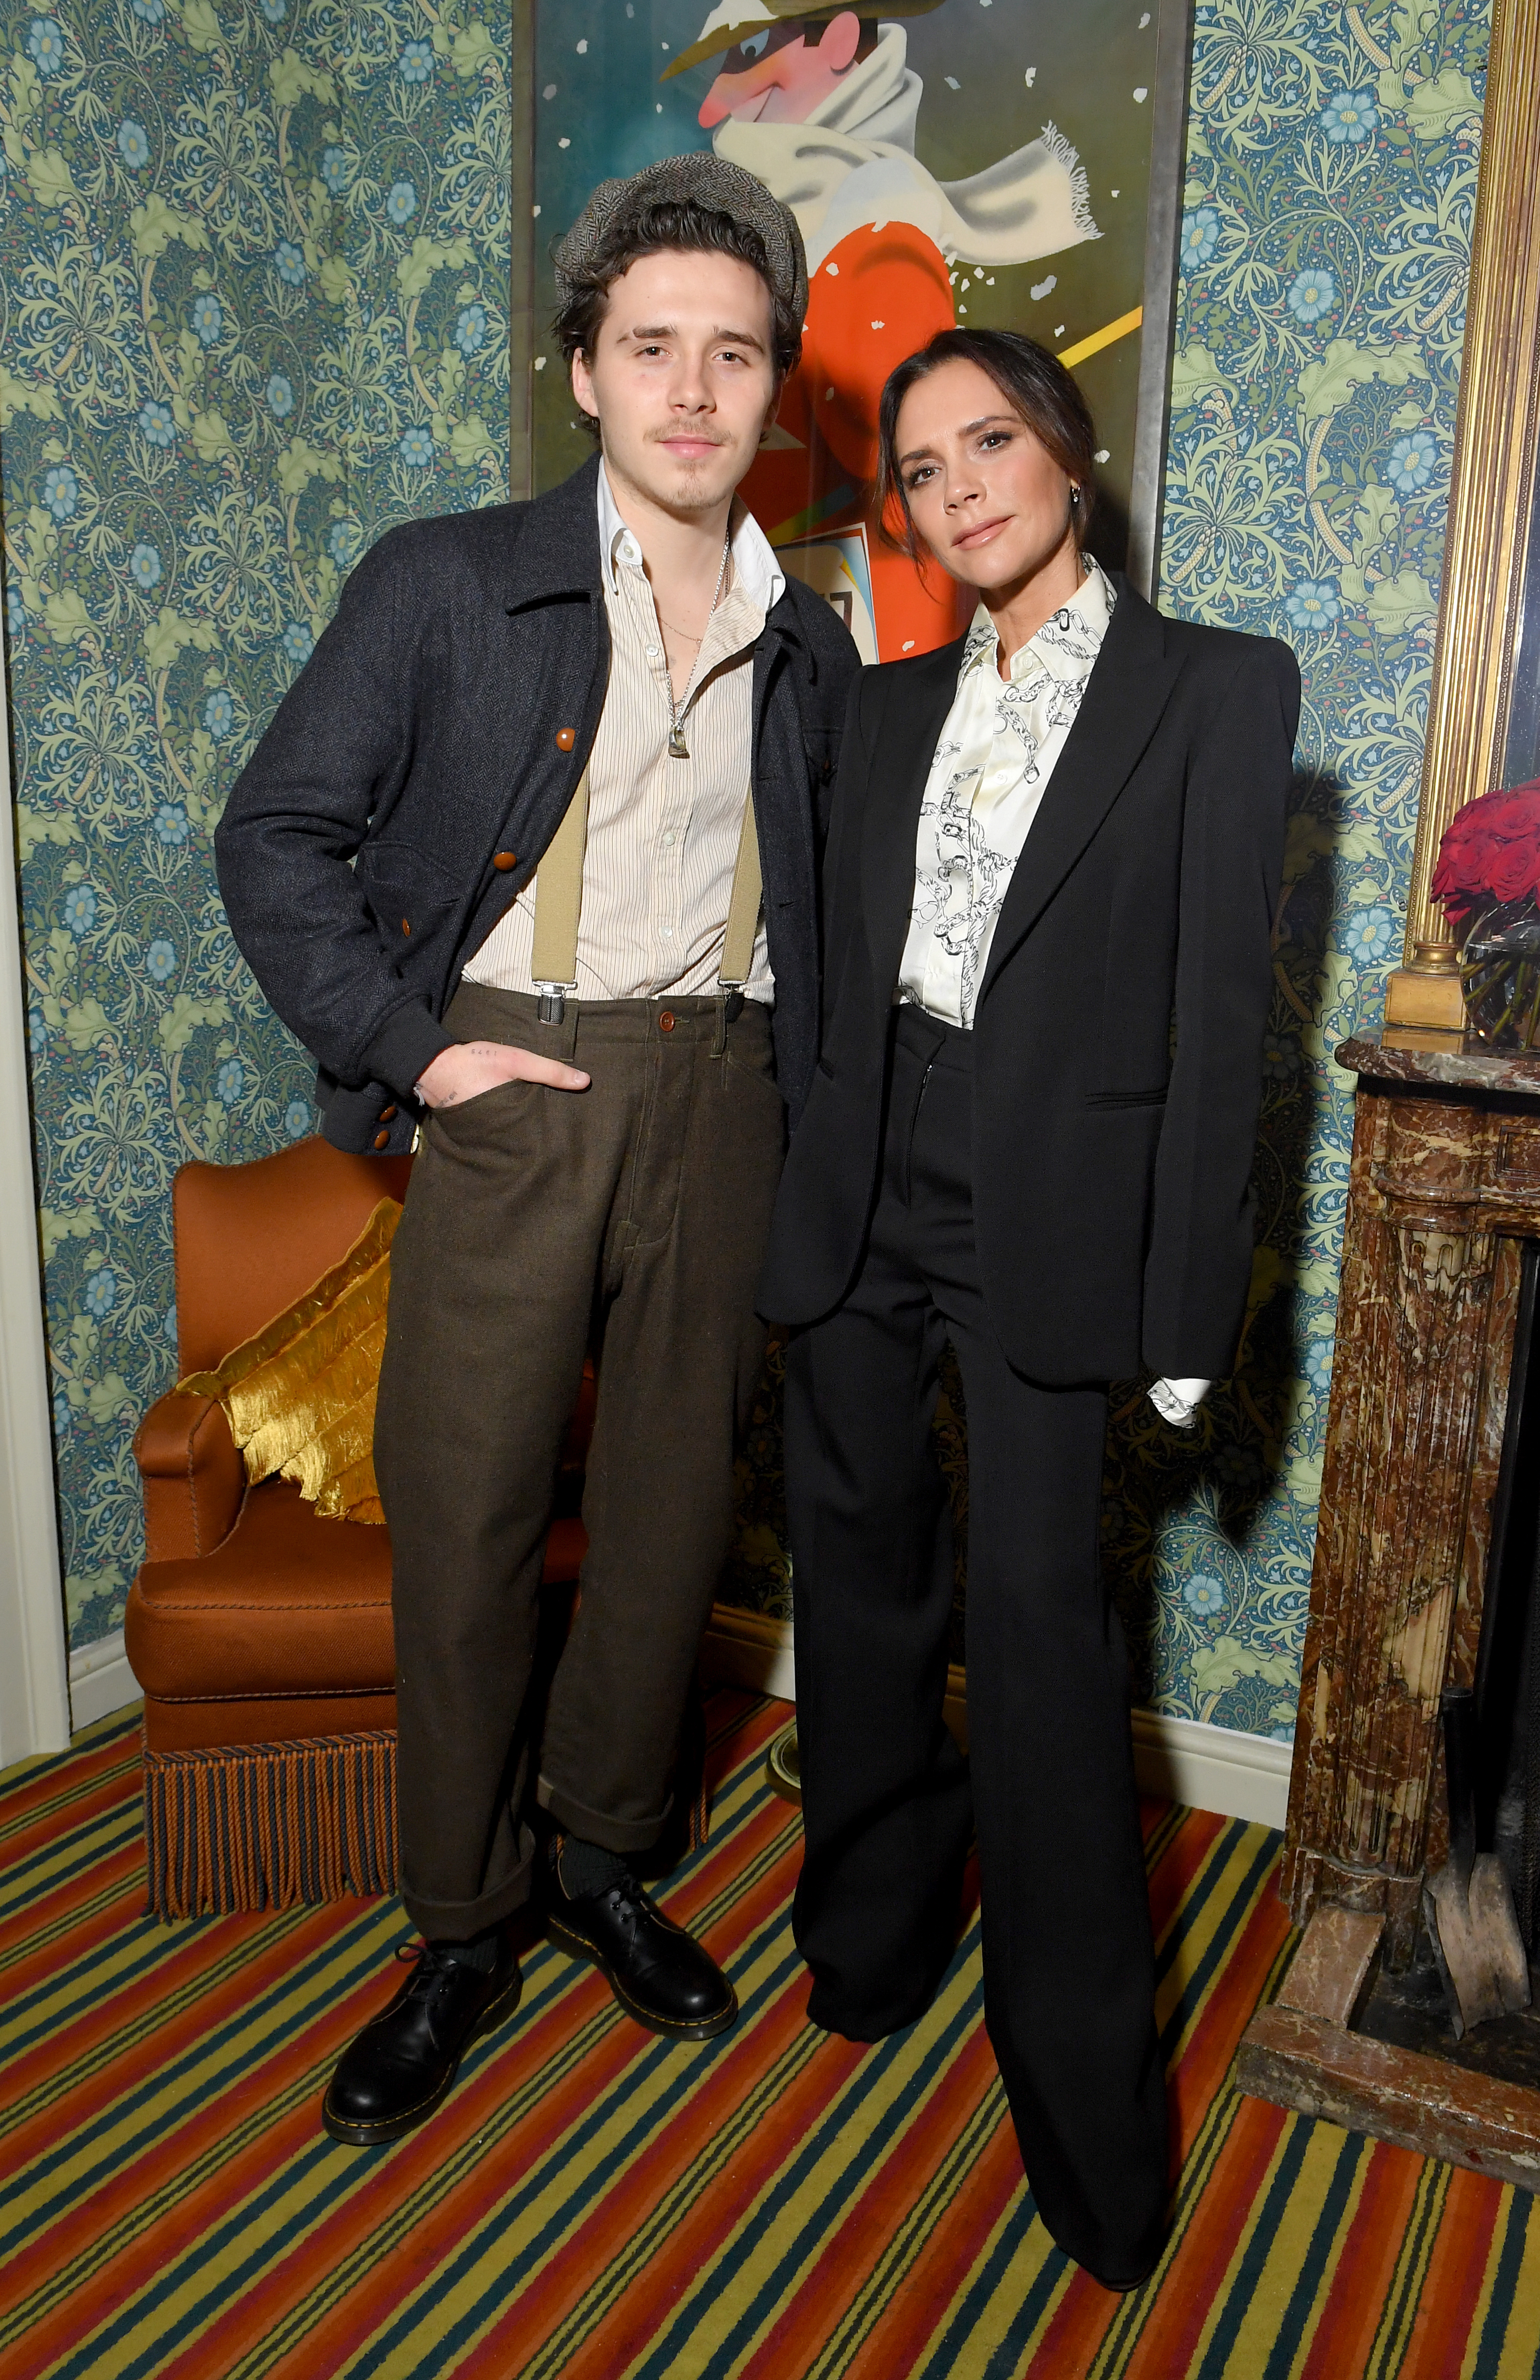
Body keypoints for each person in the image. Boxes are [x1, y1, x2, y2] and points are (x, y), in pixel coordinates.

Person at [214, 155, 860, 2147]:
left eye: (732, 353)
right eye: (650, 347)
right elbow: (275, 840)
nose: (691, 389)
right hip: (511, 1089)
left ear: (773, 390)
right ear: (581, 371)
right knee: (473, 1517)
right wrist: (423, 1054)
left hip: (722, 1097)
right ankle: (460, 1917)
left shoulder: (810, 637)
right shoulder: (445, 577)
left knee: (669, 1521)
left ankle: (600, 1862)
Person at [759, 326, 1299, 2287]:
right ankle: (870, 1938)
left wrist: (1183, 1303)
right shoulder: (885, 706)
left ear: (1065, 452)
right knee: (858, 1583)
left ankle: (1084, 2122)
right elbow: (827, 972)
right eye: (920, 466)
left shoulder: (1216, 692)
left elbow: (1227, 1029)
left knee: (1044, 1651)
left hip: (1054, 1211)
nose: (959, 483)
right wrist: (807, 1160)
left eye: (990, 440)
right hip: (863, 1184)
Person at [666, 2, 1100, 662]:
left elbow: (907, 507)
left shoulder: (874, 223)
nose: (712, 108)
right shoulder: (786, 241)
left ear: (839, 38)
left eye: (749, 55)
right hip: (773, 641)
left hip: (859, 657)